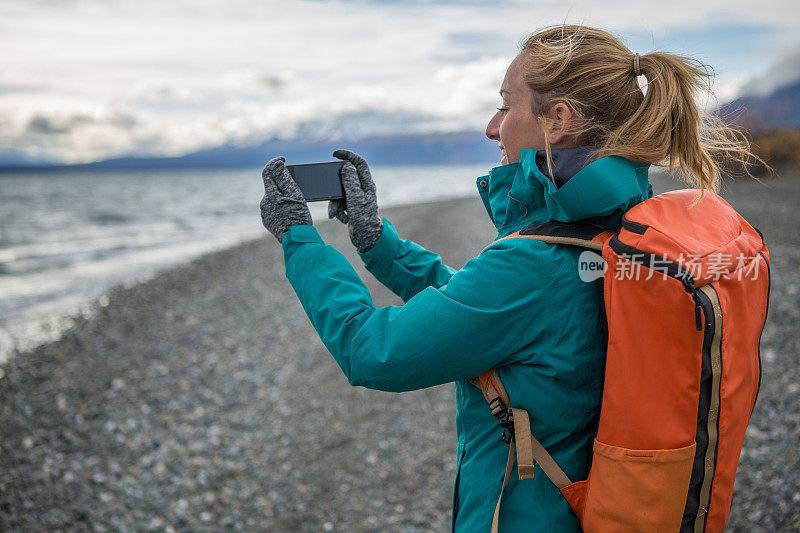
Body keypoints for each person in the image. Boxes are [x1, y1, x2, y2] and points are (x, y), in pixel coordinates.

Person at [258, 24, 758, 532]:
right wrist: (376, 242)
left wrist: (299, 240)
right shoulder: (625, 223)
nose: (492, 126)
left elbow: (373, 351)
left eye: (505, 104)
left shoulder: (534, 265)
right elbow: (484, 310)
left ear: (558, 119)